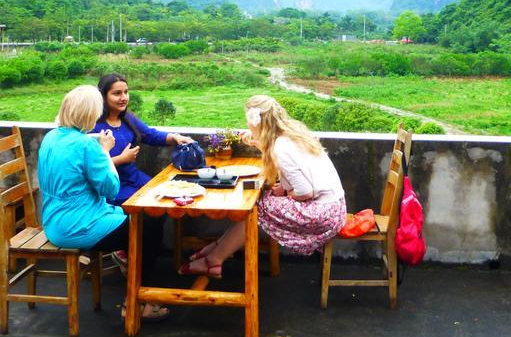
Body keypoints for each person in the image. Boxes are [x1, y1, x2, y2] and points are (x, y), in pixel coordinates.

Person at [38, 84, 169, 321]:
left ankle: (130, 274)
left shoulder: (52, 137)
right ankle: (135, 302)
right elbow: (110, 187)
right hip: (80, 226)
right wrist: (106, 152)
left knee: (142, 219)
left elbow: (74, 151)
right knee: (149, 226)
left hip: (54, 221)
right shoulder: (88, 146)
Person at [179, 94, 347, 278]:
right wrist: (282, 188)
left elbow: (305, 192)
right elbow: (299, 172)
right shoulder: (290, 134)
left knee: (255, 208)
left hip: (324, 213)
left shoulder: (280, 147)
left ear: (256, 122)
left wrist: (287, 193)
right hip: (335, 206)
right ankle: (218, 250)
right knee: (260, 202)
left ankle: (214, 259)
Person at [91, 73, 195, 203]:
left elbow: (151, 135)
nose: (123, 97)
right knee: (153, 202)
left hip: (135, 179)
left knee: (169, 195)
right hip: (114, 187)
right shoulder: (93, 127)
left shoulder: (128, 119)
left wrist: (175, 137)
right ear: (103, 96)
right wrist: (121, 159)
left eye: (126, 92)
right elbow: (91, 167)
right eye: (117, 93)